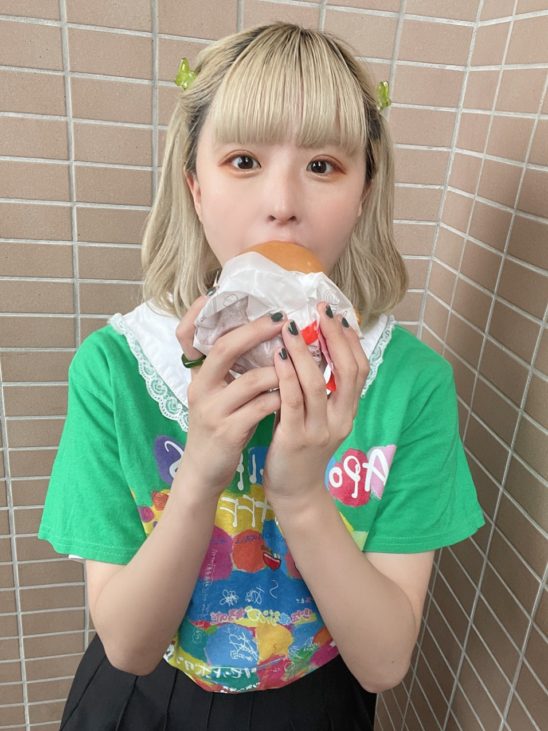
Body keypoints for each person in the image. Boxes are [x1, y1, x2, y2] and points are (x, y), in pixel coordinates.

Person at [38, 22, 485, 731]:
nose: (282, 202)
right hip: (144, 698)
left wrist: (301, 492)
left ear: (364, 191)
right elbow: (128, 645)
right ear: (195, 185)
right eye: (243, 160)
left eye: (323, 166)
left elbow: (384, 663)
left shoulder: (409, 384)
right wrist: (199, 472)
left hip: (318, 701)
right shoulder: (118, 368)